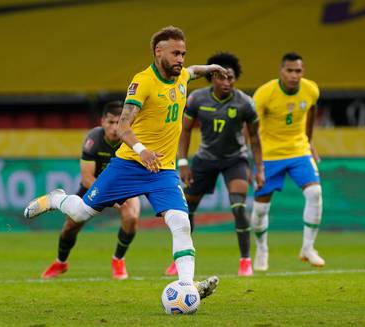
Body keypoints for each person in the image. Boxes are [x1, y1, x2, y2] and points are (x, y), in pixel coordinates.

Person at [24, 26, 227, 299]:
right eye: (176, 53)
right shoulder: (143, 82)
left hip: (162, 170)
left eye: (184, 53)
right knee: (81, 213)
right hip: (129, 165)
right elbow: (122, 126)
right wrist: (142, 150)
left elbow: (193, 72)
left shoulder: (182, 77)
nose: (181, 59)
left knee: (180, 222)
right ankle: (57, 199)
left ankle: (187, 287)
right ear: (159, 52)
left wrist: (211, 67)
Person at [165, 52, 264, 277]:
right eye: (221, 77)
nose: (227, 82)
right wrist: (182, 162)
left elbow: (256, 139)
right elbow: (185, 130)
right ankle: (180, 260)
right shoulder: (197, 99)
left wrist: (259, 169)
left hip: (235, 160)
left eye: (231, 78)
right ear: (211, 78)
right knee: (185, 210)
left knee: (238, 207)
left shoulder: (245, 103)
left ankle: (245, 261)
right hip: (205, 159)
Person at [41, 101, 141, 280]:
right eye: (110, 122)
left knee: (131, 217)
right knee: (70, 226)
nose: (114, 127)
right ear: (102, 121)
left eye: (118, 122)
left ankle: (118, 260)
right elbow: (87, 179)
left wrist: (118, 195)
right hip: (93, 186)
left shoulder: (132, 140)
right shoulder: (93, 139)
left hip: (122, 188)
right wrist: (109, 196)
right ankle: (61, 262)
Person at [251, 52, 324, 271]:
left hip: (298, 150)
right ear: (281, 71)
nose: (294, 75)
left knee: (315, 193)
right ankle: (262, 248)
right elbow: (251, 128)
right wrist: (255, 160)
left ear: (303, 72)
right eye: (289, 70)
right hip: (269, 154)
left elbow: (311, 111)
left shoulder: (310, 89)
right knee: (260, 209)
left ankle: (308, 248)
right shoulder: (264, 94)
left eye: (298, 71)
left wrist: (309, 142)